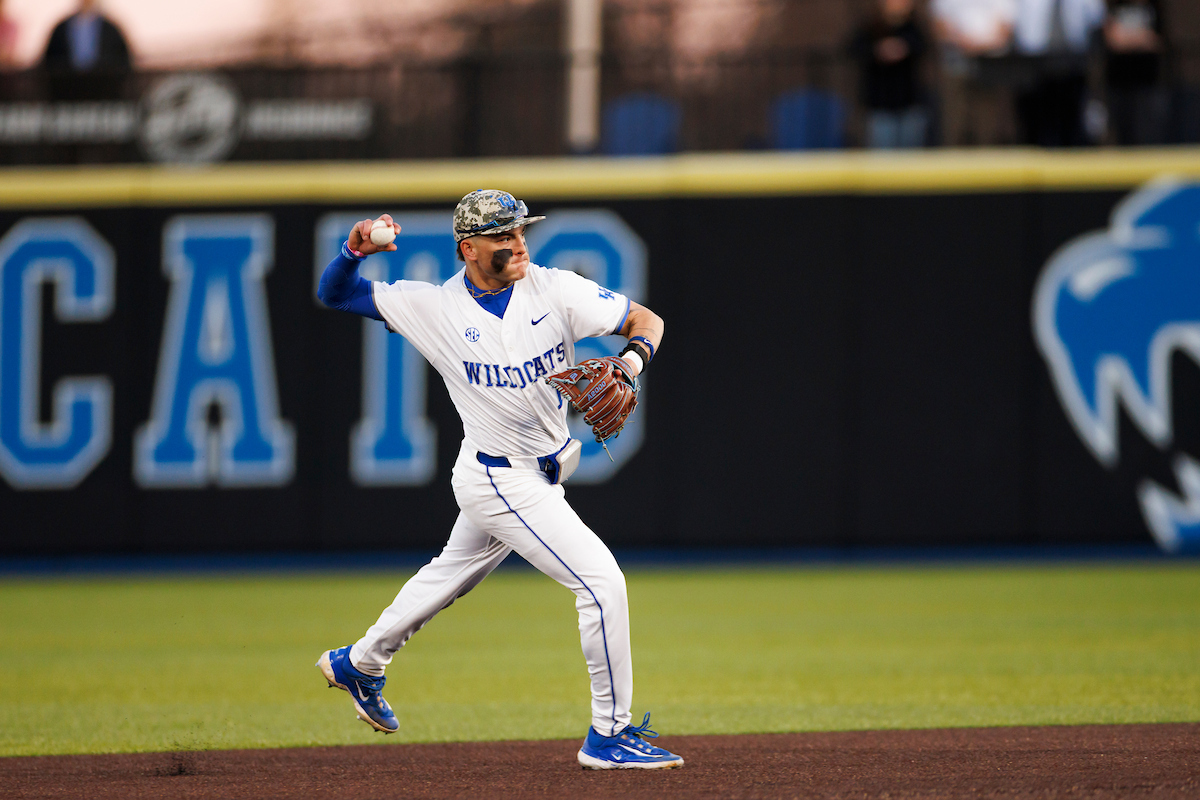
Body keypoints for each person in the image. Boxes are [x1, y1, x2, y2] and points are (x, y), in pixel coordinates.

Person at [313, 190, 683, 771]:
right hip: (501, 480)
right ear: (468, 248)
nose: (517, 244)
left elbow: (646, 321)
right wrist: (352, 250)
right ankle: (608, 736)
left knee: (447, 577)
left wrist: (629, 364)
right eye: (502, 235)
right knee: (602, 584)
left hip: (532, 474)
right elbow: (334, 294)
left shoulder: (553, 287)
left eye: (519, 232)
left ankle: (358, 663)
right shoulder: (433, 307)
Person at [1012, 0, 1105, 146]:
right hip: (1033, 65)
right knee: (1038, 128)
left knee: (1073, 126)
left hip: (1075, 64)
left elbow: (1097, 18)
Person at [932, 0, 1018, 146]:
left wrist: (979, 45)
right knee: (955, 120)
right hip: (955, 62)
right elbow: (939, 24)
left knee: (988, 122)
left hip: (991, 63)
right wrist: (963, 42)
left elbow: (1007, 28)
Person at [849, 0, 929, 149]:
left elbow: (923, 46)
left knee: (911, 159)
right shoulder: (870, 27)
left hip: (909, 102)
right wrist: (878, 50)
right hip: (880, 104)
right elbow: (853, 49)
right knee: (882, 158)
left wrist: (903, 47)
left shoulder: (913, 27)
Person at [1103, 0, 1168, 145]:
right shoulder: (1115, 7)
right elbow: (1114, 40)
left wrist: (1127, 38)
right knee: (1122, 131)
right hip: (1119, 81)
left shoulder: (1154, 7)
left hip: (1147, 81)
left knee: (1148, 130)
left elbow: (1157, 40)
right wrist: (1140, 38)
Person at [40, 0, 132, 100]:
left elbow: (124, 61)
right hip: (68, 96)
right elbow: (49, 62)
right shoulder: (61, 29)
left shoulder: (111, 30)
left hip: (104, 95)